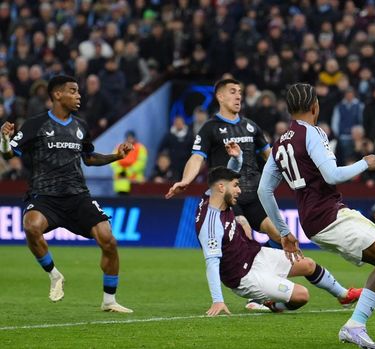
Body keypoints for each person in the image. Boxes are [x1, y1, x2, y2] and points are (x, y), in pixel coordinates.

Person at [258, 83, 375, 349]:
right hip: (329, 214)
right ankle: (355, 325)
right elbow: (333, 175)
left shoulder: (280, 143)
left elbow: (264, 190)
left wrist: (284, 232)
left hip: (314, 219)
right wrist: (366, 163)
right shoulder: (313, 133)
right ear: (314, 107)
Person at [0, 75, 133, 313]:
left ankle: (109, 300)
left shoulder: (80, 126)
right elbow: (9, 155)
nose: (78, 95)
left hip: (77, 196)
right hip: (45, 196)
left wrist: (116, 156)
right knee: (31, 226)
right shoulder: (36, 124)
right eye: (73, 91)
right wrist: (3, 140)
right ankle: (54, 275)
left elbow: (89, 159)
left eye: (79, 91)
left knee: (109, 240)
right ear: (57, 95)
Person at [166, 78, 283, 311]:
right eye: (232, 92)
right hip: (230, 197)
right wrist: (186, 180)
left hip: (255, 193)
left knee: (280, 235)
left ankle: (273, 288)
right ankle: (256, 297)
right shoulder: (210, 128)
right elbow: (197, 157)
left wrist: (291, 175)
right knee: (244, 232)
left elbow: (269, 156)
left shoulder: (251, 126)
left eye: (240, 92)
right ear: (220, 97)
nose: (238, 96)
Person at [199, 162, 361, 317]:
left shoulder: (213, 196)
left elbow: (225, 176)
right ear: (221, 188)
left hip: (255, 254)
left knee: (309, 265)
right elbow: (212, 264)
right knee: (301, 295)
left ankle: (343, 295)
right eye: (236, 186)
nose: (239, 190)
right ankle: (274, 305)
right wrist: (218, 301)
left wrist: (237, 158)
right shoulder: (211, 225)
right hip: (245, 276)